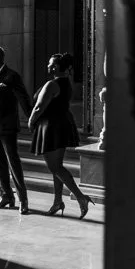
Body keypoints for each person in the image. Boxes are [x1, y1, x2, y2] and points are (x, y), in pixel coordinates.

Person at [28, 52, 95, 219]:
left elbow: (38, 107)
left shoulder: (52, 84)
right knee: (56, 166)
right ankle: (58, 201)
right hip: (60, 125)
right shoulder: (66, 83)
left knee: (55, 167)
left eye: (50, 64)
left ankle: (81, 197)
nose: (48, 66)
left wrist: (30, 122)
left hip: (51, 127)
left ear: (56, 67)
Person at [0, 45, 33, 214]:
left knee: (13, 163)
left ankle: (23, 200)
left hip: (8, 126)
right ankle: (6, 196)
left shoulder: (12, 76)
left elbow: (23, 98)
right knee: (0, 162)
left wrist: (32, 118)